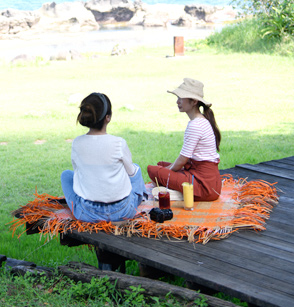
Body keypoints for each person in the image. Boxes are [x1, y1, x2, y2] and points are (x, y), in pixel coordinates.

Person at [61, 92, 146, 222]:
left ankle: (78, 207)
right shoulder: (118, 143)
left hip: (88, 213)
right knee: (136, 169)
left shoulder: (77, 143)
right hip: (122, 211)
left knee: (66, 175)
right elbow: (131, 173)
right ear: (108, 117)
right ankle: (141, 198)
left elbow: (78, 172)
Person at [147, 77, 222, 202]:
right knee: (160, 165)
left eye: (181, 98)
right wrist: (165, 170)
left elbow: (182, 159)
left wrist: (164, 172)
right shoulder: (200, 120)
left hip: (204, 186)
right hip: (206, 181)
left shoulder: (196, 125)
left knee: (153, 170)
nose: (177, 102)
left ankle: (182, 192)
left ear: (193, 102)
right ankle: (179, 190)